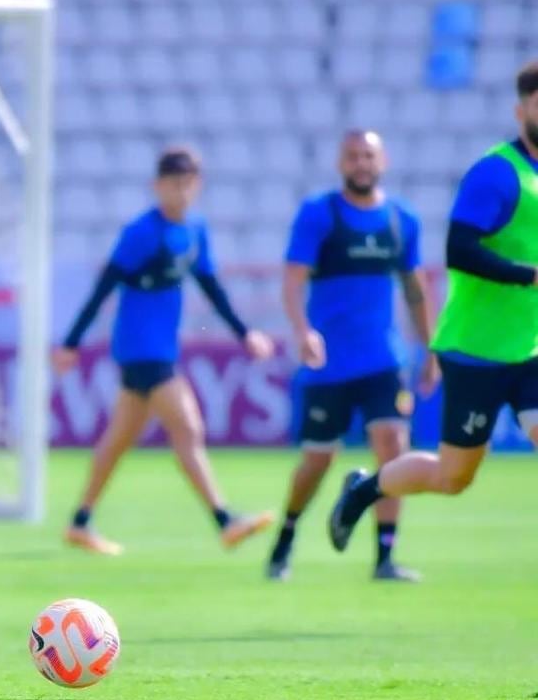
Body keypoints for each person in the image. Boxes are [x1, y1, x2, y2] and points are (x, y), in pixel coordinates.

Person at [328, 61, 538, 551]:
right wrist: (528, 275)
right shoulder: (498, 173)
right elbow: (459, 251)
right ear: (521, 108)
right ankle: (365, 488)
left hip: (529, 348)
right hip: (475, 349)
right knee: (453, 476)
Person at [52, 147, 275, 556]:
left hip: (159, 347)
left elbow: (212, 286)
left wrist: (244, 333)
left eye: (188, 183)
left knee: (118, 440)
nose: (181, 191)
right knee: (188, 428)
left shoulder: (195, 230)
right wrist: (71, 342)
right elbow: (105, 287)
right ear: (158, 186)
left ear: (197, 185)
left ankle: (80, 522)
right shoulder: (143, 233)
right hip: (141, 348)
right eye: (173, 184)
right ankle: (224, 519)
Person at [266, 130, 435, 582]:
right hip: (329, 363)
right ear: (341, 164)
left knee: (393, 448)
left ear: (384, 160)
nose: (362, 163)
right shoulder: (319, 215)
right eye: (353, 156)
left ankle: (384, 557)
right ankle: (285, 537)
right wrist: (302, 331)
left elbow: (415, 289)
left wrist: (431, 348)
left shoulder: (401, 219)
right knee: (317, 460)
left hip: (384, 360)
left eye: (369, 155)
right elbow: (292, 281)